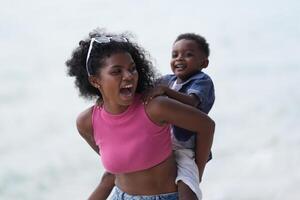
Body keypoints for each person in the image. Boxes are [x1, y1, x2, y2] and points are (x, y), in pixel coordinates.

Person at [65, 29, 215, 200]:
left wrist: (196, 173)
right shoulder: (87, 122)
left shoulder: (155, 107)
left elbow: (207, 126)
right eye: (117, 71)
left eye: (132, 69)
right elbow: (116, 171)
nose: (129, 76)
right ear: (95, 81)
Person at [146, 33, 215, 200]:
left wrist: (166, 92)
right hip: (163, 143)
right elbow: (144, 90)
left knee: (187, 184)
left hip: (186, 148)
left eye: (188, 54)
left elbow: (192, 102)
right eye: (174, 55)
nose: (179, 59)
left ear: (203, 62)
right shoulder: (167, 80)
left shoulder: (201, 81)